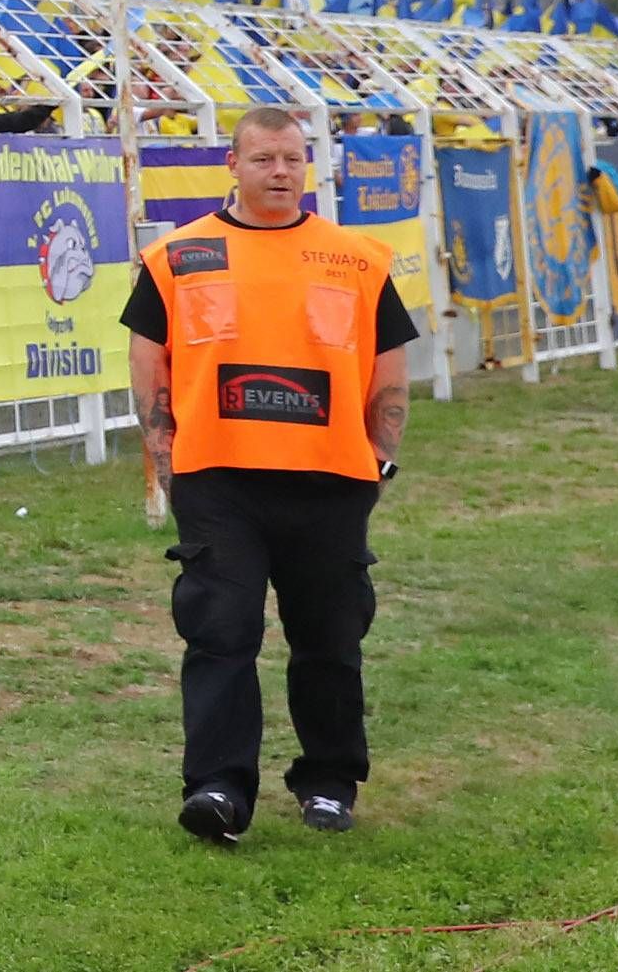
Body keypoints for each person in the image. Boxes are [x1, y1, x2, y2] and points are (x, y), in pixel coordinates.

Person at [126, 105, 415, 844]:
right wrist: (167, 462)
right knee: (220, 631)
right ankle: (219, 787)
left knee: (329, 637)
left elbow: (389, 370)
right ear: (233, 163)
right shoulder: (176, 257)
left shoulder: (358, 258)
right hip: (219, 478)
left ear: (306, 165)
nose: (279, 172)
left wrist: (378, 459)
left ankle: (329, 781)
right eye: (263, 159)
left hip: (330, 481)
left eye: (291, 158)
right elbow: (148, 361)